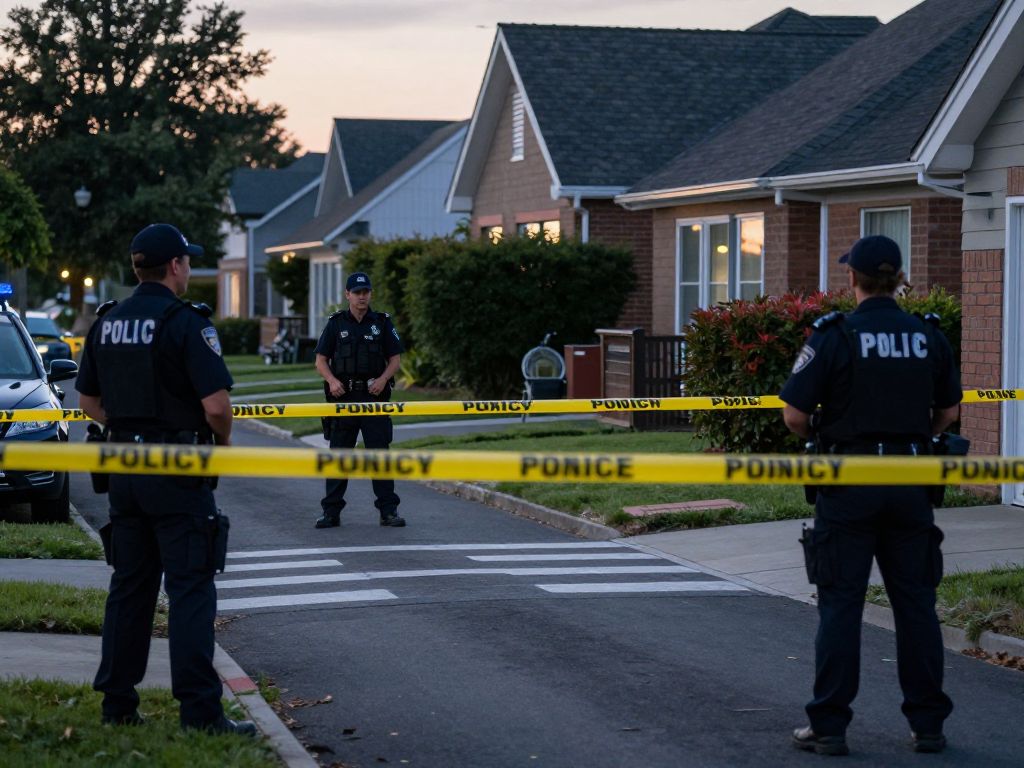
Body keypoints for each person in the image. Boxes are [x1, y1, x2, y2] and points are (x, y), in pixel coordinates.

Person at [779, 235, 961, 756]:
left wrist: (824, 426)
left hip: (848, 481)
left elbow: (794, 415)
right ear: (900, 279)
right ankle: (928, 725)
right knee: (916, 605)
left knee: (840, 605)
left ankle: (829, 726)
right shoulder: (928, 336)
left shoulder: (834, 334)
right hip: (910, 482)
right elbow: (949, 410)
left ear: (852, 279)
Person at [76, 223, 255, 736]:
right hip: (177, 472)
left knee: (130, 590)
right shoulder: (184, 322)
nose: (190, 269)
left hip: (124, 473)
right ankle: (201, 714)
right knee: (191, 589)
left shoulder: (106, 322)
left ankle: (117, 706)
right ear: (175, 266)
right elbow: (217, 406)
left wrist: (130, 426)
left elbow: (88, 401)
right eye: (187, 262)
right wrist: (220, 449)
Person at [314, 271, 405, 529]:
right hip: (343, 398)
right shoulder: (336, 323)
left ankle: (388, 511)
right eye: (357, 292)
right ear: (347, 295)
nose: (362, 296)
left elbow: (395, 359)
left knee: (379, 456)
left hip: (373, 397)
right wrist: (332, 381)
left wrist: (383, 379)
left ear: (370, 294)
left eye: (365, 292)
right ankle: (331, 512)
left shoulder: (382, 322)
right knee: (339, 457)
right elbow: (320, 361)